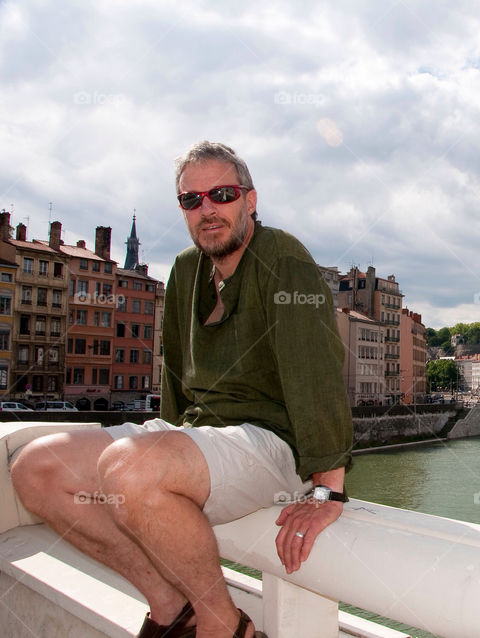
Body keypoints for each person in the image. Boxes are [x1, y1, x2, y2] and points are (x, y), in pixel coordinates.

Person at [11, 141, 354, 638]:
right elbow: (174, 372)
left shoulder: (283, 258)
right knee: (36, 468)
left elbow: (316, 372)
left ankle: (223, 623)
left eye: (221, 194)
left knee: (128, 468)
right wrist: (164, 447)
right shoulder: (186, 268)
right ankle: (170, 603)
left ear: (250, 200)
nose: (206, 209)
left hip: (272, 440)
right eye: (191, 200)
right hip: (198, 436)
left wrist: (328, 490)